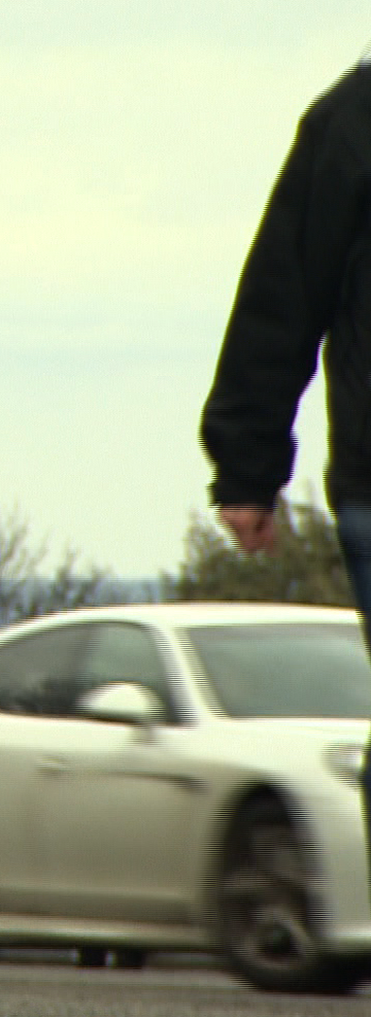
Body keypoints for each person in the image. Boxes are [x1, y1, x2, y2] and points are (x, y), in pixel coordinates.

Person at [201, 56, 371, 825]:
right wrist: (245, 460)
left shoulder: (351, 120)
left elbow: (284, 289)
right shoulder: (352, 122)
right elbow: (287, 290)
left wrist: (247, 465)